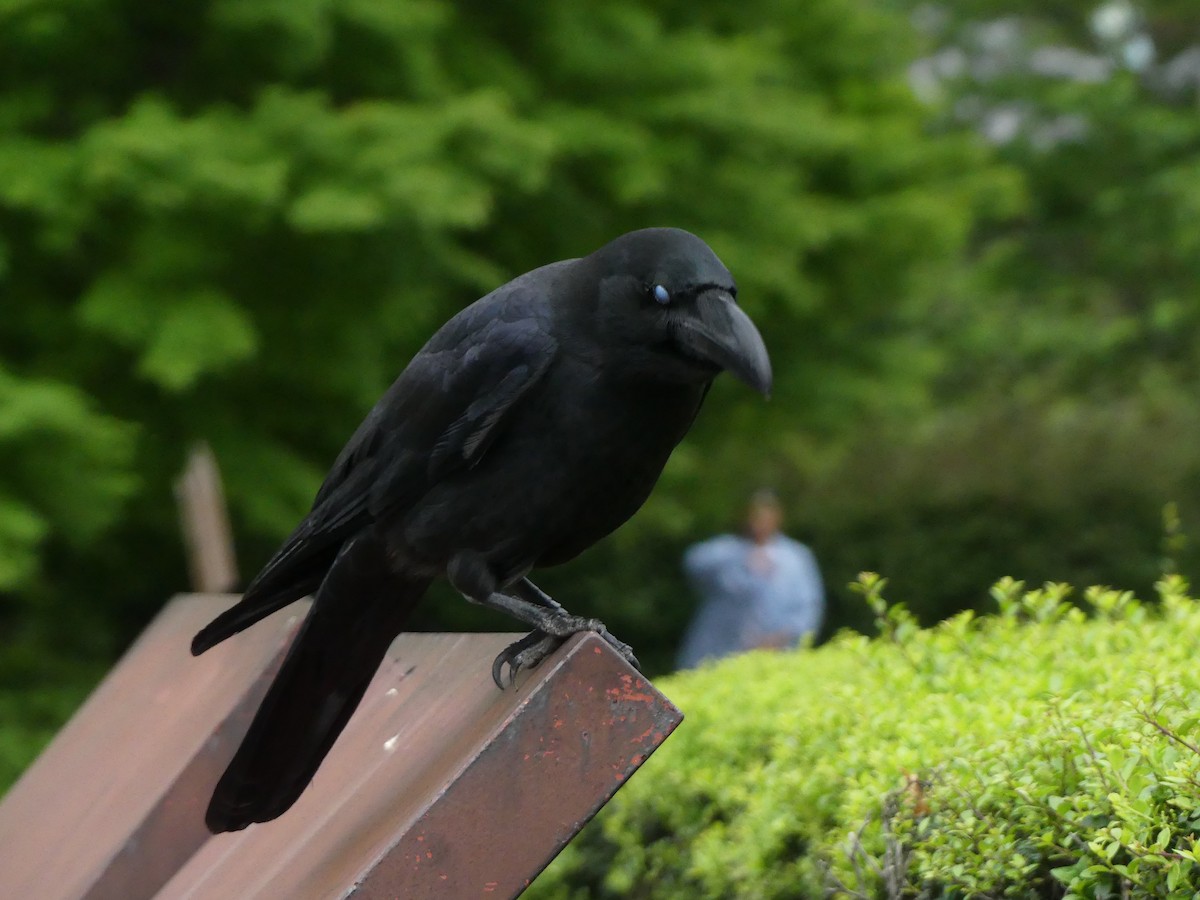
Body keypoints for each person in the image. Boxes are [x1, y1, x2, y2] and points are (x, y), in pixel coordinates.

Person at [676, 489, 824, 669]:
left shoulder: (796, 557)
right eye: (756, 515)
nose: (761, 521)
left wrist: (780, 638)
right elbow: (693, 563)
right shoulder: (727, 548)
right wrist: (742, 558)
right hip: (717, 653)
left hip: (774, 657)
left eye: (767, 514)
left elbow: (810, 607)